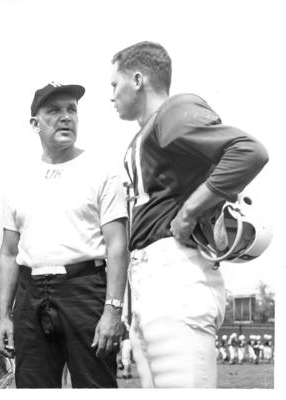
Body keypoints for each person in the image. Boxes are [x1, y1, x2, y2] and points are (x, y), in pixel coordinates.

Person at [110, 41, 269, 388]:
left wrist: (189, 212)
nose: (111, 94)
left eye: (114, 83)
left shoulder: (172, 111)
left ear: (137, 79)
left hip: (176, 273)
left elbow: (248, 151)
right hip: (149, 277)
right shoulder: (144, 133)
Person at [0, 82, 129, 388]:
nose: (65, 117)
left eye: (71, 109)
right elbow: (8, 252)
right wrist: (3, 315)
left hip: (84, 289)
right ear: (35, 123)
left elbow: (117, 245)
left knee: (95, 387)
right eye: (54, 110)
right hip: (30, 294)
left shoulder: (101, 169)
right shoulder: (17, 178)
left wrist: (113, 309)